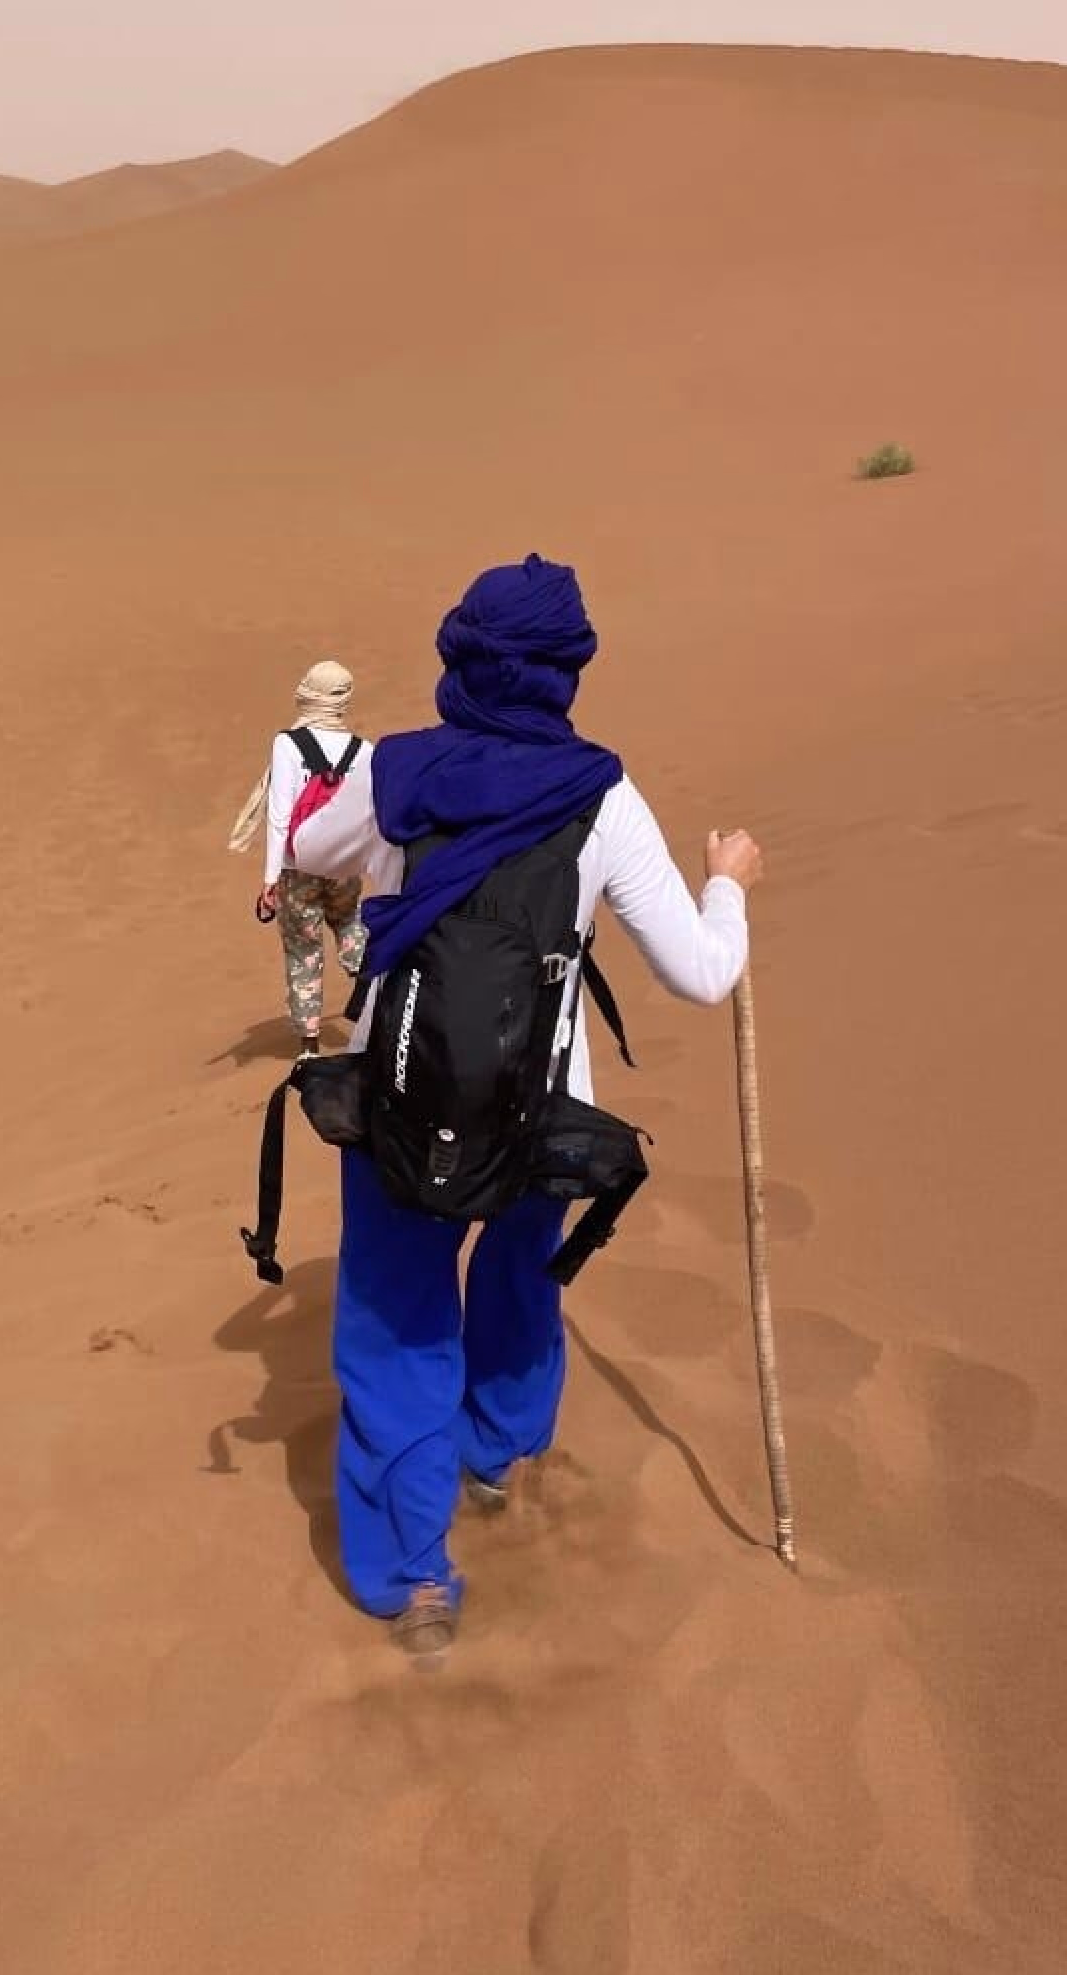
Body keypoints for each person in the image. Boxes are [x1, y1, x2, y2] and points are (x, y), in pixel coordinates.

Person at [288, 556, 764, 1661]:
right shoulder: (604, 792)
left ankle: (412, 1577)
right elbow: (701, 973)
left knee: (397, 1320)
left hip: (397, 1103)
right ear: (567, 673)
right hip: (542, 1116)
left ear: (457, 655)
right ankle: (496, 1456)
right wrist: (728, 878)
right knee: (515, 1282)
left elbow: (311, 851)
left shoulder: (395, 769)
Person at [228, 661, 372, 1060]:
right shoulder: (365, 751)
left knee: (302, 949)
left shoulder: (288, 744)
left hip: (299, 866)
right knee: (351, 929)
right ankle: (375, 1012)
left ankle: (308, 1048)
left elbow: (279, 814)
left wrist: (270, 878)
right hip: (345, 866)